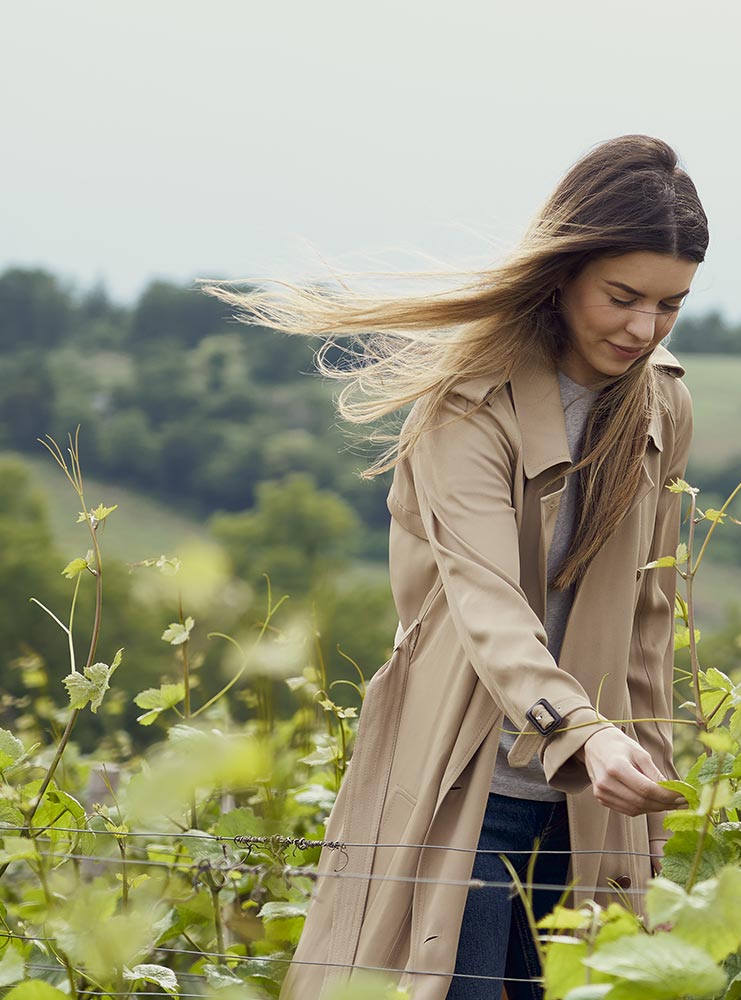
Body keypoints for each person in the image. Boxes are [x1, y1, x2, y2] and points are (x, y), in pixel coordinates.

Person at [199, 133, 708, 1000]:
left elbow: (649, 622)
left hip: (597, 806)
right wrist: (581, 731)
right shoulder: (468, 400)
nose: (642, 328)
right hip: (463, 779)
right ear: (564, 270)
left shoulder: (663, 403)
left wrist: (649, 786)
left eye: (670, 305)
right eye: (623, 297)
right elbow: (485, 604)